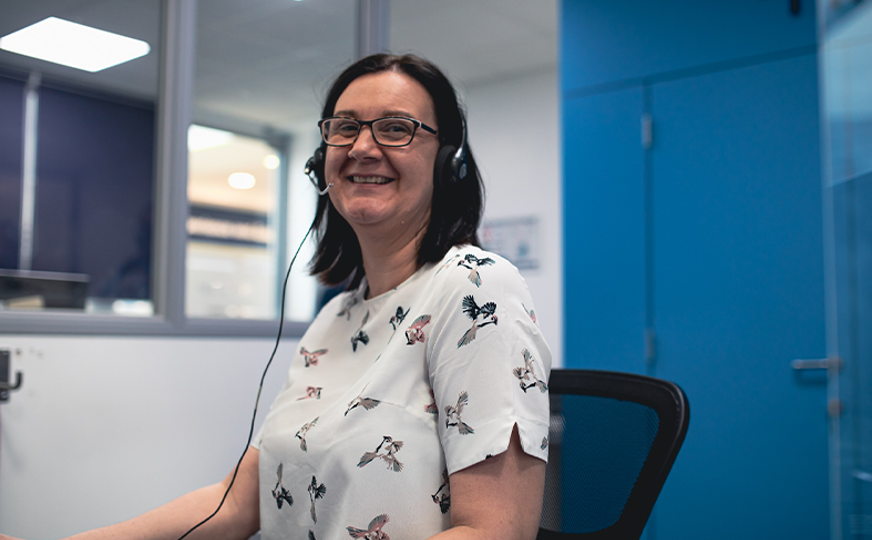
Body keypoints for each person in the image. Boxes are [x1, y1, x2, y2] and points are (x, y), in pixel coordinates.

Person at [1, 53, 550, 540]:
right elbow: (239, 502)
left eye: (396, 128)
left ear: (447, 159)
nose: (363, 146)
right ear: (322, 160)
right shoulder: (338, 314)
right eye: (345, 128)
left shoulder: (477, 288)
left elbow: (495, 530)